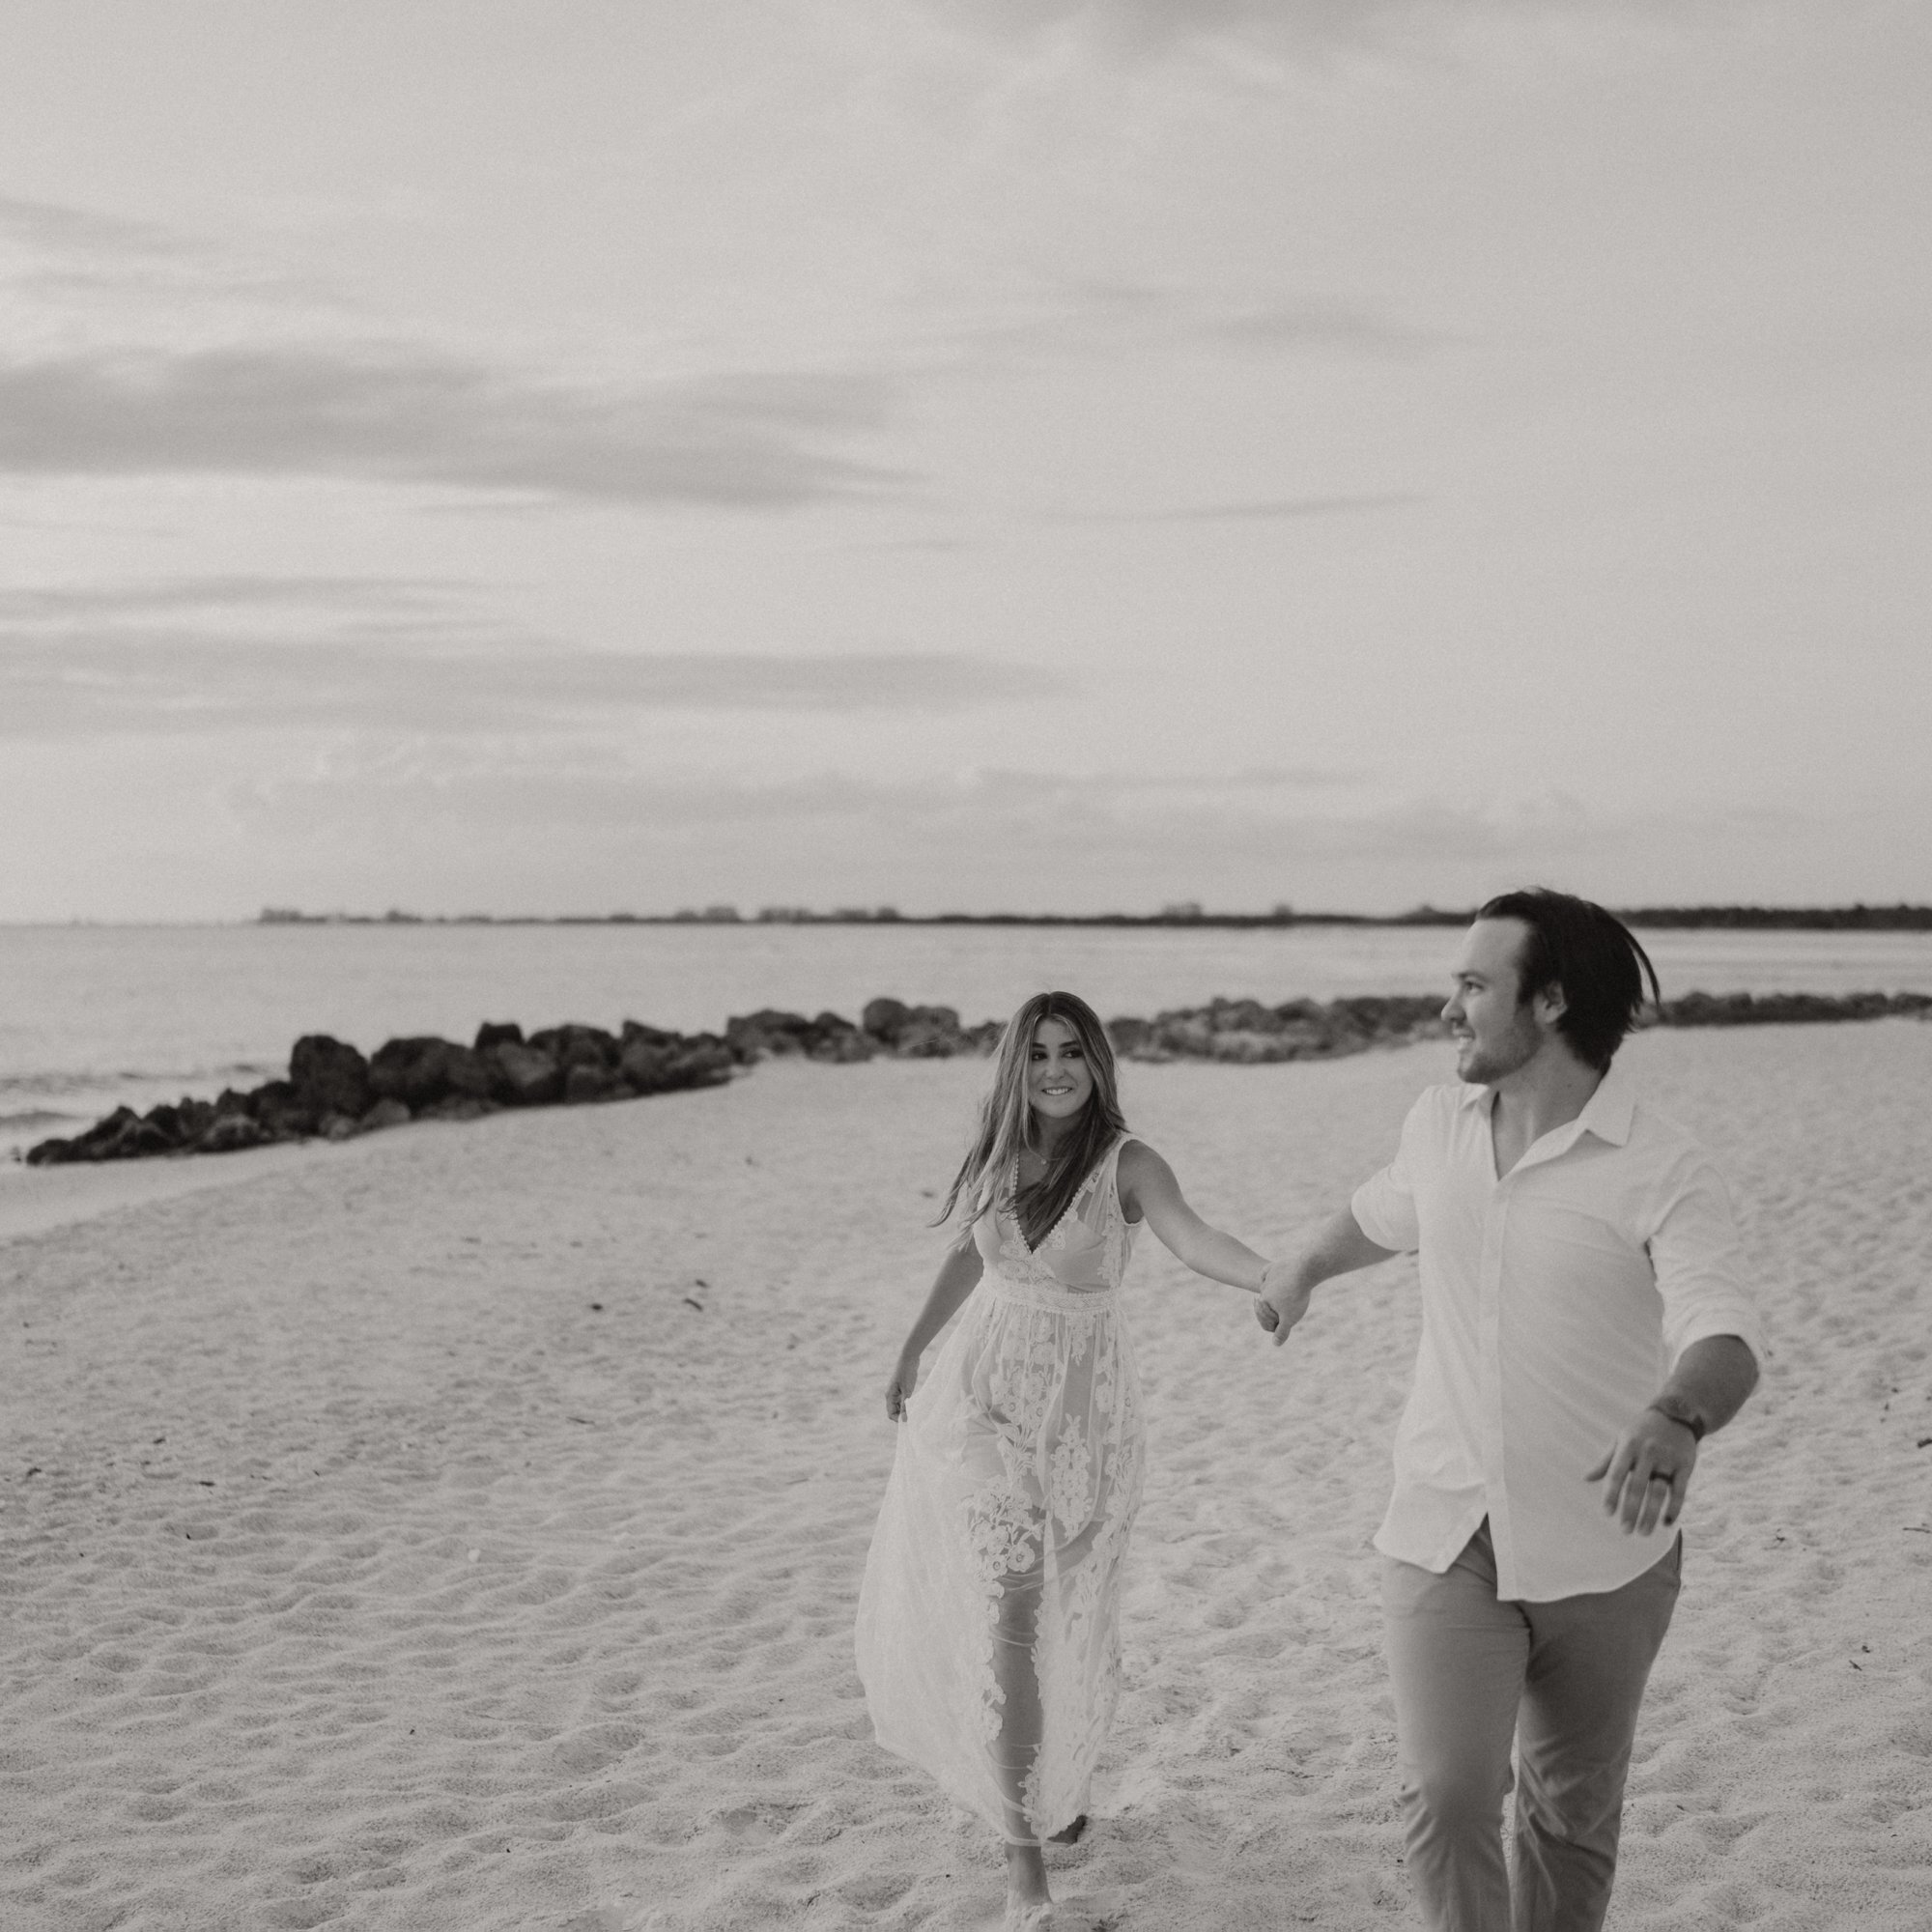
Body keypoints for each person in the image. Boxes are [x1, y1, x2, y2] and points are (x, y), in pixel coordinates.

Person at [1257, 888, 1764, 1932]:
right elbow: (1382, 1212)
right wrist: (1302, 1263)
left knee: (1569, 1817)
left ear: (1548, 1003)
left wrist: (1676, 1414)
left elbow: (1723, 1332)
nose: (1447, 1008)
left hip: (1607, 1545)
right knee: (1446, 1796)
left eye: (1472, 985)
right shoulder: (1436, 1121)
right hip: (1445, 1527)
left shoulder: (1662, 1167)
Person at [856, 990, 1272, 1931]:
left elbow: (1190, 1231)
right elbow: (971, 1253)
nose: (1053, 1070)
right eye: (1037, 1052)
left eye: (1071, 1053)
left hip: (1087, 1419)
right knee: (1012, 1607)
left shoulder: (1129, 1162)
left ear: (1097, 1064)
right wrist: (912, 1347)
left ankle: (1053, 1782)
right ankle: (1024, 1864)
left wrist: (1266, 1274)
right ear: (1015, 1064)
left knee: (1070, 1620)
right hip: (984, 1400)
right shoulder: (1002, 1150)